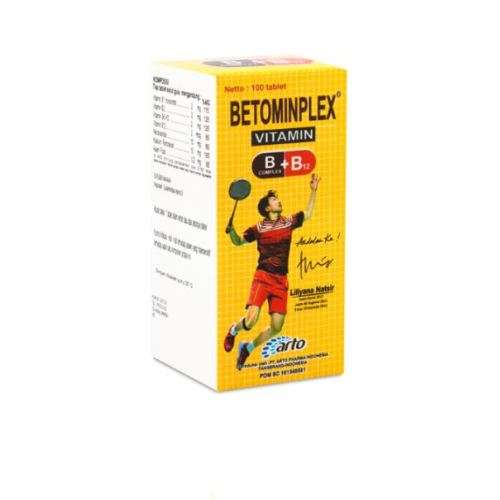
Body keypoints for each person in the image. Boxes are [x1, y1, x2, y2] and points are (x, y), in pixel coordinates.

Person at [224, 173, 321, 369]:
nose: (278, 201)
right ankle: (234, 329)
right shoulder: (259, 228)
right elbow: (238, 242)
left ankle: (247, 348)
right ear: (267, 208)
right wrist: (232, 231)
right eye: (274, 200)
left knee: (277, 327)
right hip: (263, 277)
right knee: (250, 322)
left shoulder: (288, 222)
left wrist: (313, 190)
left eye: (277, 199)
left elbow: (308, 213)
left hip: (281, 280)